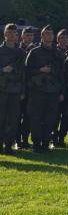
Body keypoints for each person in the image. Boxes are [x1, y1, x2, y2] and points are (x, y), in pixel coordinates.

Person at [25, 25, 64, 152]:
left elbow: (62, 74)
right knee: (35, 118)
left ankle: (46, 144)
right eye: (47, 33)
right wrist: (40, 70)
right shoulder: (34, 52)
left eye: (51, 33)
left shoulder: (57, 53)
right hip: (37, 91)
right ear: (42, 36)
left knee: (50, 119)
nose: (49, 36)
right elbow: (27, 71)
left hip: (53, 91)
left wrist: (61, 92)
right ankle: (36, 144)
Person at [0, 24, 26, 154]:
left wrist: (23, 91)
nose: (11, 35)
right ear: (4, 34)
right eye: (9, 32)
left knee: (13, 119)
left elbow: (24, 74)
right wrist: (2, 70)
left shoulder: (21, 52)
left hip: (15, 90)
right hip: (2, 90)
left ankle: (8, 146)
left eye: (14, 32)